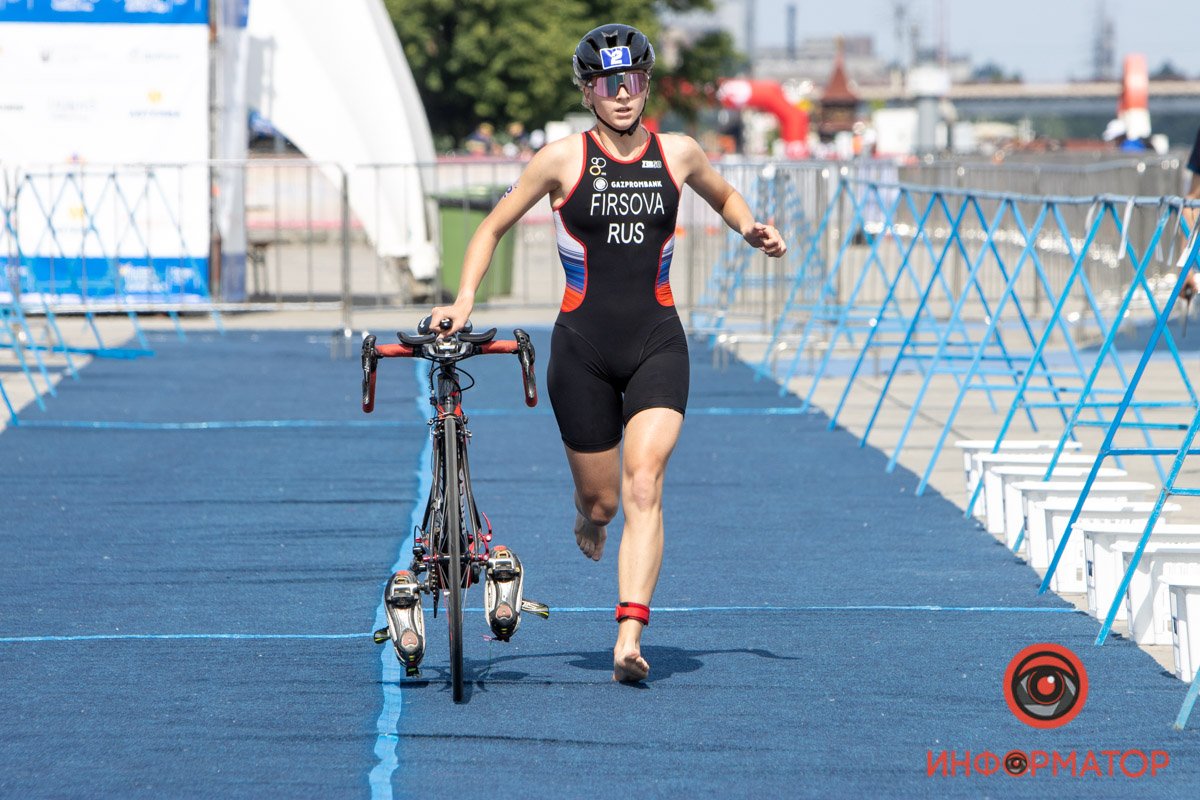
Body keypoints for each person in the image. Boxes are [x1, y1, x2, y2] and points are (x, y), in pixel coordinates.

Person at [430, 23, 786, 683]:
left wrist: (750, 228)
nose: (622, 94)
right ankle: (586, 516)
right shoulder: (562, 159)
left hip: (657, 341)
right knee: (604, 504)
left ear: (647, 85)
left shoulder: (678, 153)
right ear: (589, 91)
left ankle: (628, 637)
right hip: (583, 350)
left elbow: (725, 195)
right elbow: (491, 225)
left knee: (644, 482)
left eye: (633, 81)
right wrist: (465, 299)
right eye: (607, 83)